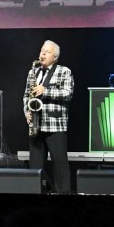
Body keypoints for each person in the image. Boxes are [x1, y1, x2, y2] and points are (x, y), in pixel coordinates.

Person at [24, 40, 73, 193]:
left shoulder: (64, 71)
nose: (42, 54)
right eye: (42, 51)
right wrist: (27, 111)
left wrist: (45, 91)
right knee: (35, 165)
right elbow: (26, 95)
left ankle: (63, 192)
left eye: (47, 52)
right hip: (36, 124)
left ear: (55, 57)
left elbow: (68, 93)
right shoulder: (33, 72)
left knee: (59, 164)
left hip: (55, 124)